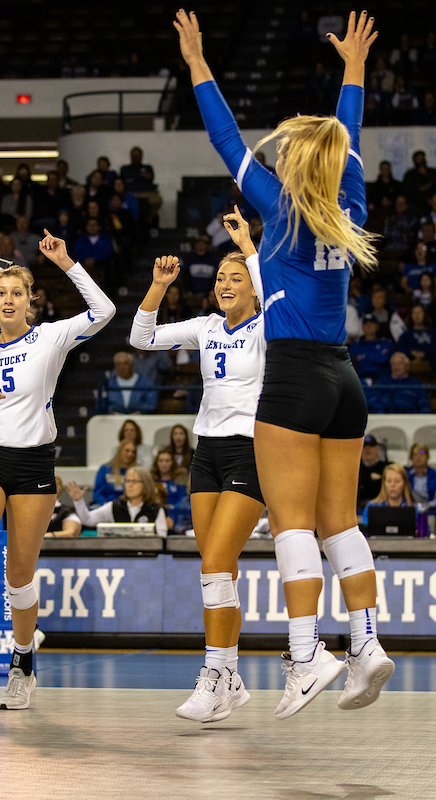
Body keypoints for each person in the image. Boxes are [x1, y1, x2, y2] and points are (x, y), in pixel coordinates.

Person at [179, 8, 393, 716]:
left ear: (292, 163)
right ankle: (366, 644)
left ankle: (306, 657)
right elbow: (350, 133)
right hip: (345, 378)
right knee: (342, 522)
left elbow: (222, 136)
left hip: (296, 377)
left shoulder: (283, 204)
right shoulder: (349, 200)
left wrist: (198, 63)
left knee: (294, 522)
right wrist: (353, 69)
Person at [0, 230, 114, 720]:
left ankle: (23, 662)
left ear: (30, 302)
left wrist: (65, 261)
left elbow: (105, 313)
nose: (9, 298)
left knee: (19, 577)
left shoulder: (52, 336)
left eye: (17, 292)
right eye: (1, 293)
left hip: (35, 462)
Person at [129, 222, 267, 721]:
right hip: (206, 452)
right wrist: (159, 286)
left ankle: (214, 675)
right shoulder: (207, 326)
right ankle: (230, 678)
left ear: (252, 284)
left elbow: (273, 292)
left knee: (215, 567)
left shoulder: (268, 325)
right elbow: (139, 337)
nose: (225, 284)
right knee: (218, 569)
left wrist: (249, 248)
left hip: (251, 451)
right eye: (220, 278)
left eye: (236, 277)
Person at [68, 468, 169, 535]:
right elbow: (88, 520)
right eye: (127, 481)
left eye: (134, 481)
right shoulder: (114, 507)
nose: (130, 485)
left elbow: (161, 539)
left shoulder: (155, 509)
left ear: (145, 485)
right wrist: (79, 501)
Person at [94, 439, 138, 505]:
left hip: (125, 506)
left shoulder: (136, 472)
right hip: (105, 505)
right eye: (127, 450)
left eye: (133, 452)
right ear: (120, 451)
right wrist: (105, 505)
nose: (130, 454)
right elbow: (98, 493)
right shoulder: (105, 469)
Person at [357, 434, 389, 509]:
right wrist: (369, 477)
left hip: (382, 507)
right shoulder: (355, 469)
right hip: (357, 508)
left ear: (378, 449)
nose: (367, 449)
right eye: (364, 446)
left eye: (371, 446)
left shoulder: (387, 467)